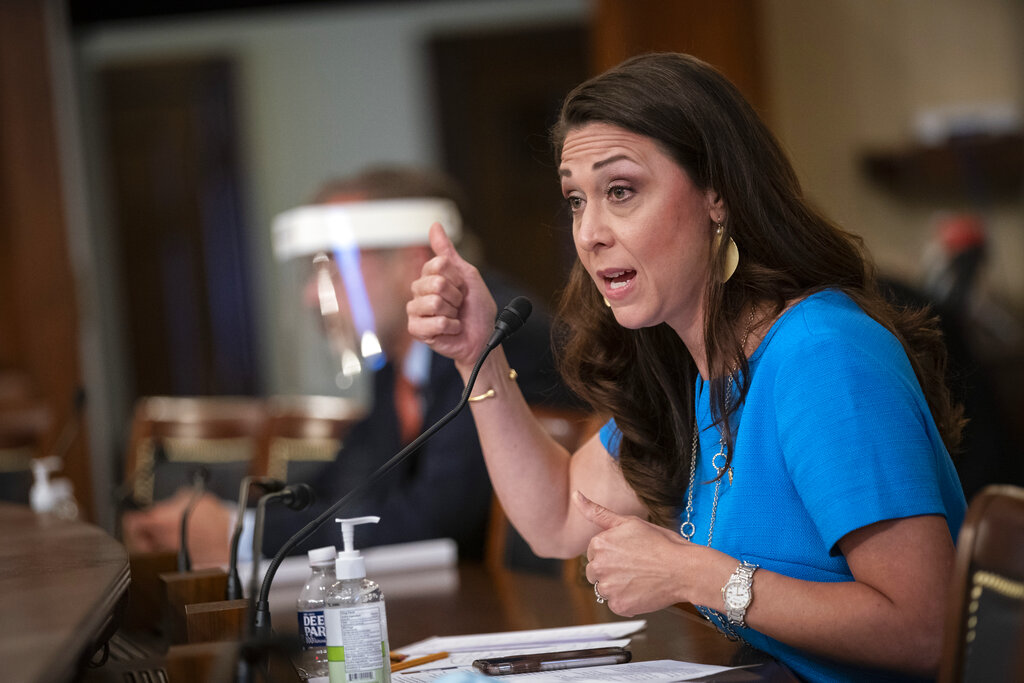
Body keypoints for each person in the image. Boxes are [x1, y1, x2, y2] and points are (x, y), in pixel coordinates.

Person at [407, 53, 967, 682]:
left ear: (717, 196)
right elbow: (560, 516)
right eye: (575, 200)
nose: (588, 232)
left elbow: (925, 629)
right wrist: (477, 355)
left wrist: (692, 572)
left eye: (620, 191)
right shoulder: (694, 367)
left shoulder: (822, 355)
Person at [121, 165, 574, 567]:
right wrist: (228, 516)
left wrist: (241, 536)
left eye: (333, 265)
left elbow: (438, 517)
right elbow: (351, 484)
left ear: (415, 261)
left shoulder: (492, 331)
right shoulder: (396, 360)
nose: (309, 296)